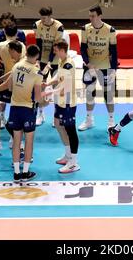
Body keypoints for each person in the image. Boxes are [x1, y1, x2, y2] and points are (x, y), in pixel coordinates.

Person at [0, 45, 46, 182]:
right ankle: (26, 172)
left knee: (16, 141)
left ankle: (16, 173)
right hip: (28, 109)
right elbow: (38, 98)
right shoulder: (37, 72)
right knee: (29, 141)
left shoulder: (16, 66)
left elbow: (8, 85)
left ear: (26, 53)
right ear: (37, 57)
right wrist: (46, 100)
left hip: (15, 108)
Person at [78, 5, 117, 131]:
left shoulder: (110, 30)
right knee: (89, 93)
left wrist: (114, 69)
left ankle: (111, 120)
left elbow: (114, 50)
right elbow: (83, 48)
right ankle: (89, 119)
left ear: (100, 16)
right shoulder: (85, 28)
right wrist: (87, 63)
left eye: (93, 16)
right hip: (90, 66)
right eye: (89, 16)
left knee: (108, 94)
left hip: (105, 67)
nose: (91, 18)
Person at [44, 41, 80, 173]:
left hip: (68, 103)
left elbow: (64, 88)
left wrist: (49, 91)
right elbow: (58, 79)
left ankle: (74, 163)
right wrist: (48, 83)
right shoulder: (61, 61)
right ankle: (68, 155)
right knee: (58, 124)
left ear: (63, 50)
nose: (54, 52)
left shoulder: (68, 65)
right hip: (60, 102)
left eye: (56, 50)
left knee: (71, 131)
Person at [32, 6, 65, 126]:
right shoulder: (37, 25)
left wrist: (50, 61)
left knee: (56, 86)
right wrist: (39, 61)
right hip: (42, 59)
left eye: (44, 18)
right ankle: (40, 114)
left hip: (55, 60)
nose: (42, 20)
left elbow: (56, 46)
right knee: (40, 86)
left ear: (50, 16)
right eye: (40, 17)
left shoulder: (58, 27)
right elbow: (39, 44)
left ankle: (56, 115)